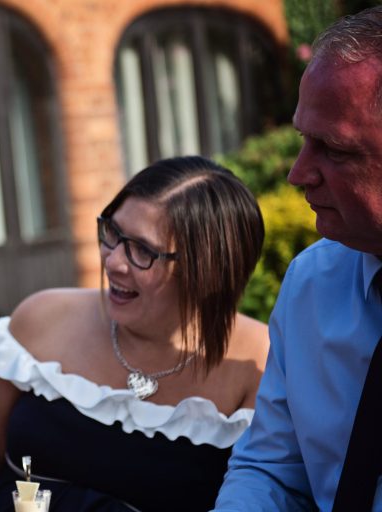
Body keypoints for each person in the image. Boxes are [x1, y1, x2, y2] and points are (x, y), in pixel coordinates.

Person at [0, 156, 269, 512]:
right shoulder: (42, 317)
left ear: (209, 271)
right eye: (113, 233)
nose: (113, 261)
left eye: (142, 250)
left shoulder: (258, 364)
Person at [213, 7, 382, 511]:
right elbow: (272, 470)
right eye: (302, 140)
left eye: (333, 148)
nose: (298, 172)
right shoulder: (314, 281)